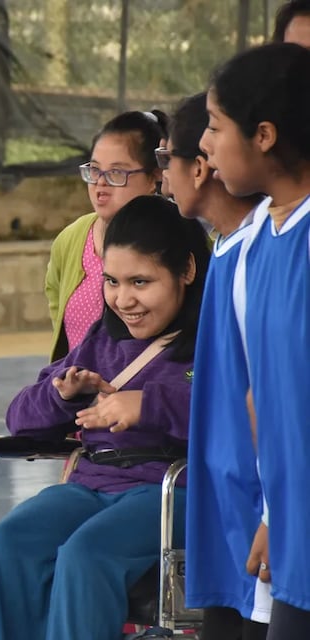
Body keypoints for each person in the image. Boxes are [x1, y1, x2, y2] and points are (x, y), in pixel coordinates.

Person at [0, 195, 210, 640]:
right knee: (7, 545)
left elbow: (230, 415)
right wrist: (61, 396)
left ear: (187, 271)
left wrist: (147, 405)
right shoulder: (102, 340)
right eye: (112, 282)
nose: (124, 299)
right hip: (91, 486)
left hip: (173, 492)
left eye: (141, 282)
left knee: (87, 554)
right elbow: (19, 418)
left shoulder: (215, 338)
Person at [199, 42, 310, 640]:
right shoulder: (246, 253)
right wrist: (272, 514)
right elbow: (258, 403)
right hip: (295, 539)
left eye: (216, 126)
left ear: (263, 134)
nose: (206, 144)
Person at [161, 92, 271, 640]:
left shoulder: (261, 250)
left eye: (165, 161)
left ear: (201, 166)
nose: (162, 179)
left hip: (256, 510)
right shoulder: (224, 248)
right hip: (224, 509)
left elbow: (275, 396)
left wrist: (276, 515)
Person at [45, 110, 167, 361]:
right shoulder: (71, 239)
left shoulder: (179, 237)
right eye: (94, 170)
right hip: (78, 397)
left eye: (116, 174)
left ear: (154, 178)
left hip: (147, 397)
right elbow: (56, 300)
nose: (100, 183)